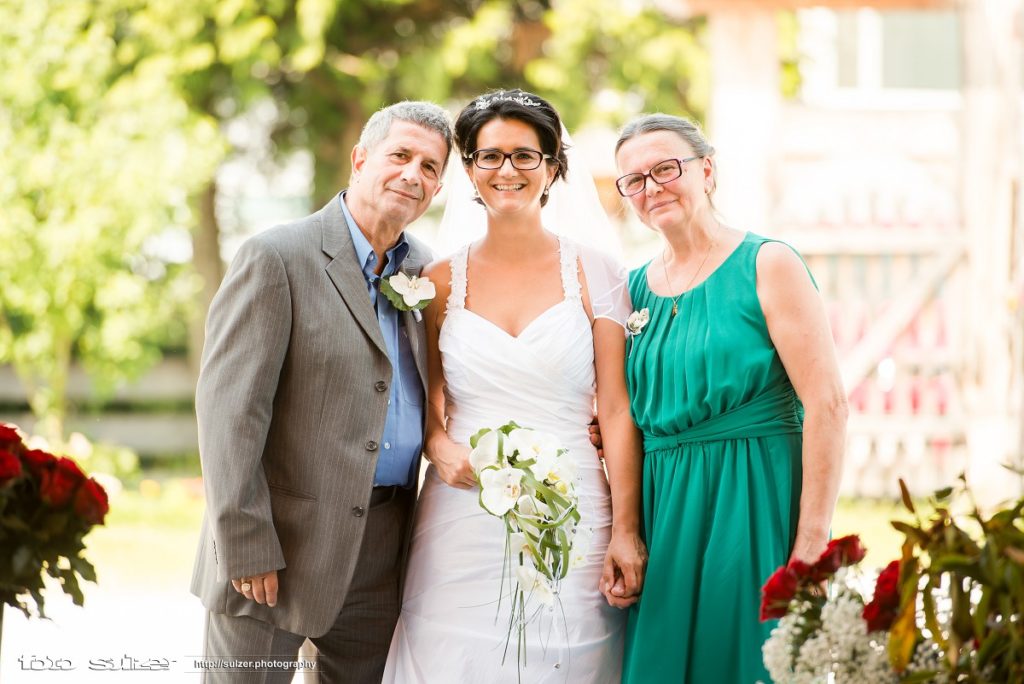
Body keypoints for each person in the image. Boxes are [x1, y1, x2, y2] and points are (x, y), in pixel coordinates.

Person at [382, 89, 647, 683]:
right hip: (462, 506)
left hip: (576, 505)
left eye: (526, 156)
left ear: (553, 167)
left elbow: (617, 407)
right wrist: (439, 446)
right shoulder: (437, 281)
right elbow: (428, 399)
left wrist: (626, 531)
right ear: (469, 169)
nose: (508, 170)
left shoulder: (597, 272)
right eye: (490, 156)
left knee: (566, 656)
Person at [190, 101, 452, 683]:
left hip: (382, 553)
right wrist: (247, 542)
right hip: (276, 547)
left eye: (431, 167)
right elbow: (229, 414)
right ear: (360, 160)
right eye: (401, 156)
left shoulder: (428, 273)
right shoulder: (276, 257)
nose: (414, 174)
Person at [614, 114, 848, 683]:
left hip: (751, 497)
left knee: (746, 659)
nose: (652, 188)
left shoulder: (768, 264)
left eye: (666, 169)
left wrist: (812, 539)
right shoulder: (632, 287)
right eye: (634, 180)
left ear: (707, 171)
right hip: (666, 511)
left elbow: (828, 405)